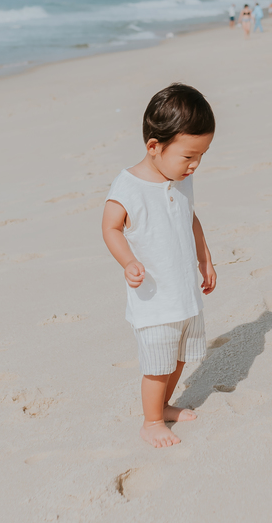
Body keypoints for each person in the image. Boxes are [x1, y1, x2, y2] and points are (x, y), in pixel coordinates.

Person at [101, 84, 218, 449]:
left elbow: (190, 219)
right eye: (188, 156)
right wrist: (128, 261)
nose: (194, 164)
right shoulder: (129, 185)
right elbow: (110, 226)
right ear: (154, 146)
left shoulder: (180, 179)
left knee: (180, 357)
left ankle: (165, 406)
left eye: (201, 155)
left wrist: (205, 258)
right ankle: (151, 421)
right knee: (157, 364)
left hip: (183, 293)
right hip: (153, 299)